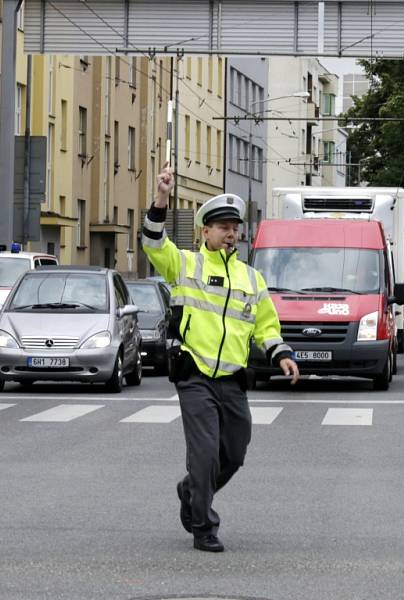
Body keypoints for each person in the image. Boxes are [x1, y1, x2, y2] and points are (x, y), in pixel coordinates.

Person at [142, 164, 299, 553]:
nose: (231, 233)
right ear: (205, 232)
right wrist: (161, 198)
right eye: (222, 226)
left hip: (233, 380)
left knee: (235, 452)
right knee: (205, 453)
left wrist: (281, 354)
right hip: (195, 376)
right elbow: (152, 243)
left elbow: (267, 325)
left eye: (235, 226)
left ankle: (191, 491)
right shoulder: (185, 265)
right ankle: (203, 525)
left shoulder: (251, 278)